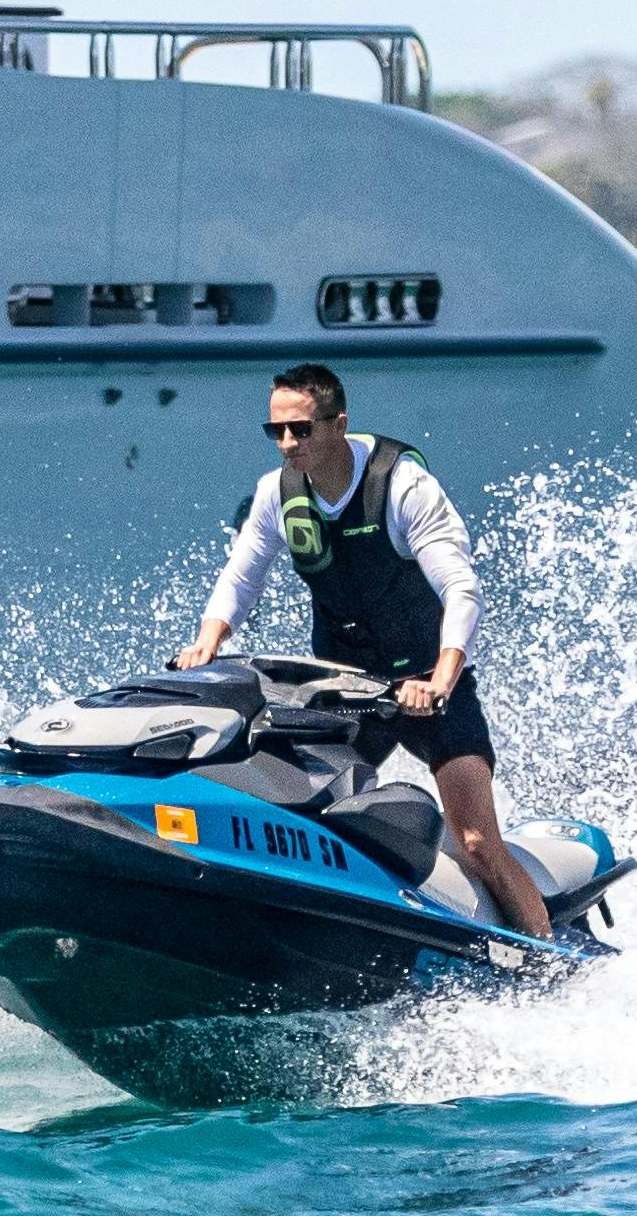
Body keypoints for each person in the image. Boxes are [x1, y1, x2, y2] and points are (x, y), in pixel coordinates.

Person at [187, 364, 549, 938]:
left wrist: (442, 679)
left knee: (477, 842)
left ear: (338, 423)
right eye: (276, 431)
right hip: (346, 690)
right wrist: (208, 641)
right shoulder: (276, 493)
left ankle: (542, 958)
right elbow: (242, 576)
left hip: (429, 686)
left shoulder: (401, 485)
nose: (288, 444)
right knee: (296, 818)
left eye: (301, 430)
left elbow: (461, 589)